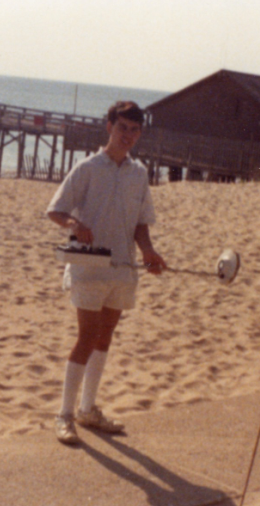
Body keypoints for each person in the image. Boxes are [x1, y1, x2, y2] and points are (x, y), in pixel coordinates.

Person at [46, 101, 166, 445]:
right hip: (88, 267)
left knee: (105, 336)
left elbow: (141, 223)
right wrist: (75, 224)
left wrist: (148, 251)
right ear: (109, 127)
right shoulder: (87, 168)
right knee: (87, 336)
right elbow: (56, 211)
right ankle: (64, 415)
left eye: (133, 130)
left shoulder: (139, 173)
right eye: (121, 128)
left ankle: (88, 409)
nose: (127, 135)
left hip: (122, 268)